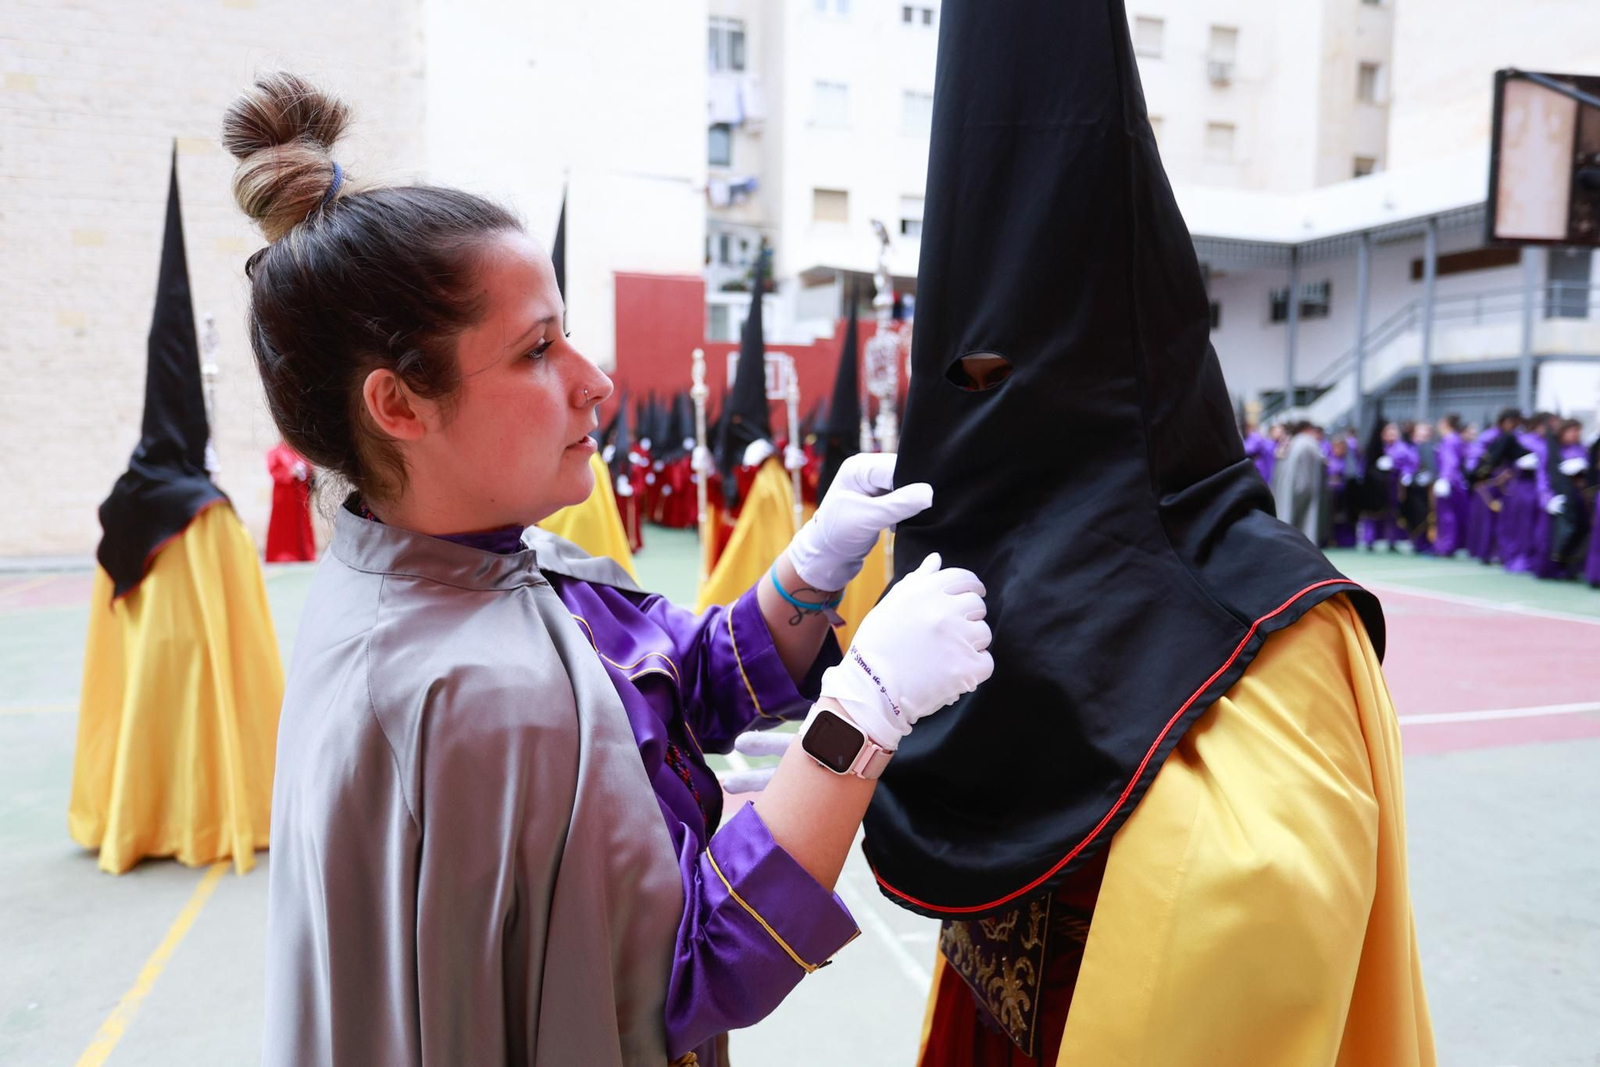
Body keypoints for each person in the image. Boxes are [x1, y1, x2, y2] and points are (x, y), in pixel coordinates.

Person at [225, 73, 994, 1067]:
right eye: (537, 349)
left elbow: (675, 678)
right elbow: (689, 971)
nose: (595, 380)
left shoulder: (480, 567)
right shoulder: (475, 691)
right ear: (400, 405)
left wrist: (812, 566)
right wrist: (866, 710)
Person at [865, 2, 1433, 1063]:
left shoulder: (1282, 635)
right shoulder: (988, 574)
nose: (985, 416)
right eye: (963, 385)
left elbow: (1266, 903)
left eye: (1012, 377)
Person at [1273, 420, 1326, 545]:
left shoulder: (1289, 441)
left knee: (1286, 516)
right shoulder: (1308, 442)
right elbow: (1319, 462)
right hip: (1304, 486)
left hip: (1285, 487)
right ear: (1308, 428)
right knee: (1306, 521)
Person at [265, 439, 316, 561]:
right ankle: (282, 555)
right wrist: (290, 472)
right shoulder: (275, 453)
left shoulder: (300, 452)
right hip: (284, 497)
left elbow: (309, 470)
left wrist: (306, 472)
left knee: (302, 525)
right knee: (283, 526)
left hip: (300, 496)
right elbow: (274, 472)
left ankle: (304, 553)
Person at [1430, 415, 1467, 557]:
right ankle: (1447, 545)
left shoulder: (1450, 439)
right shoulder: (1453, 438)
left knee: (1446, 515)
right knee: (1449, 515)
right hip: (1454, 481)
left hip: (1450, 481)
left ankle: (1446, 546)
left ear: (1445, 423)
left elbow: (1450, 461)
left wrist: (1445, 479)